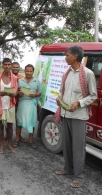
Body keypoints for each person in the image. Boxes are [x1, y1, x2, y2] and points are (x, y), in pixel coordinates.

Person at [55, 46, 97, 188]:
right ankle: (68, 169)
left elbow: (93, 95)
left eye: (67, 55)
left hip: (79, 116)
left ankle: (79, 176)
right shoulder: (66, 74)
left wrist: (79, 102)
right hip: (65, 114)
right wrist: (60, 99)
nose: (65, 57)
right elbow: (64, 92)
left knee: (78, 147)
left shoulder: (88, 73)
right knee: (66, 145)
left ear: (75, 56)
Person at [0, 58, 18, 154]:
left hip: (10, 104)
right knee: (0, 126)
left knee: (10, 125)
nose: (7, 66)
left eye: (9, 64)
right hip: (0, 104)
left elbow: (16, 93)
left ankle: (9, 144)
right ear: (2, 65)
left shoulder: (14, 78)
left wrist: (14, 94)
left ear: (11, 66)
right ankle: (2, 144)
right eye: (5, 64)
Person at [15, 64, 42, 148]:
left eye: (31, 71)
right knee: (19, 122)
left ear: (33, 72)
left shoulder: (37, 81)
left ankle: (31, 141)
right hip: (22, 103)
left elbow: (40, 92)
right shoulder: (20, 81)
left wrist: (34, 94)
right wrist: (19, 93)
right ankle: (17, 140)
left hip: (31, 103)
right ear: (24, 71)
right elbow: (16, 92)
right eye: (27, 71)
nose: (29, 73)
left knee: (32, 122)